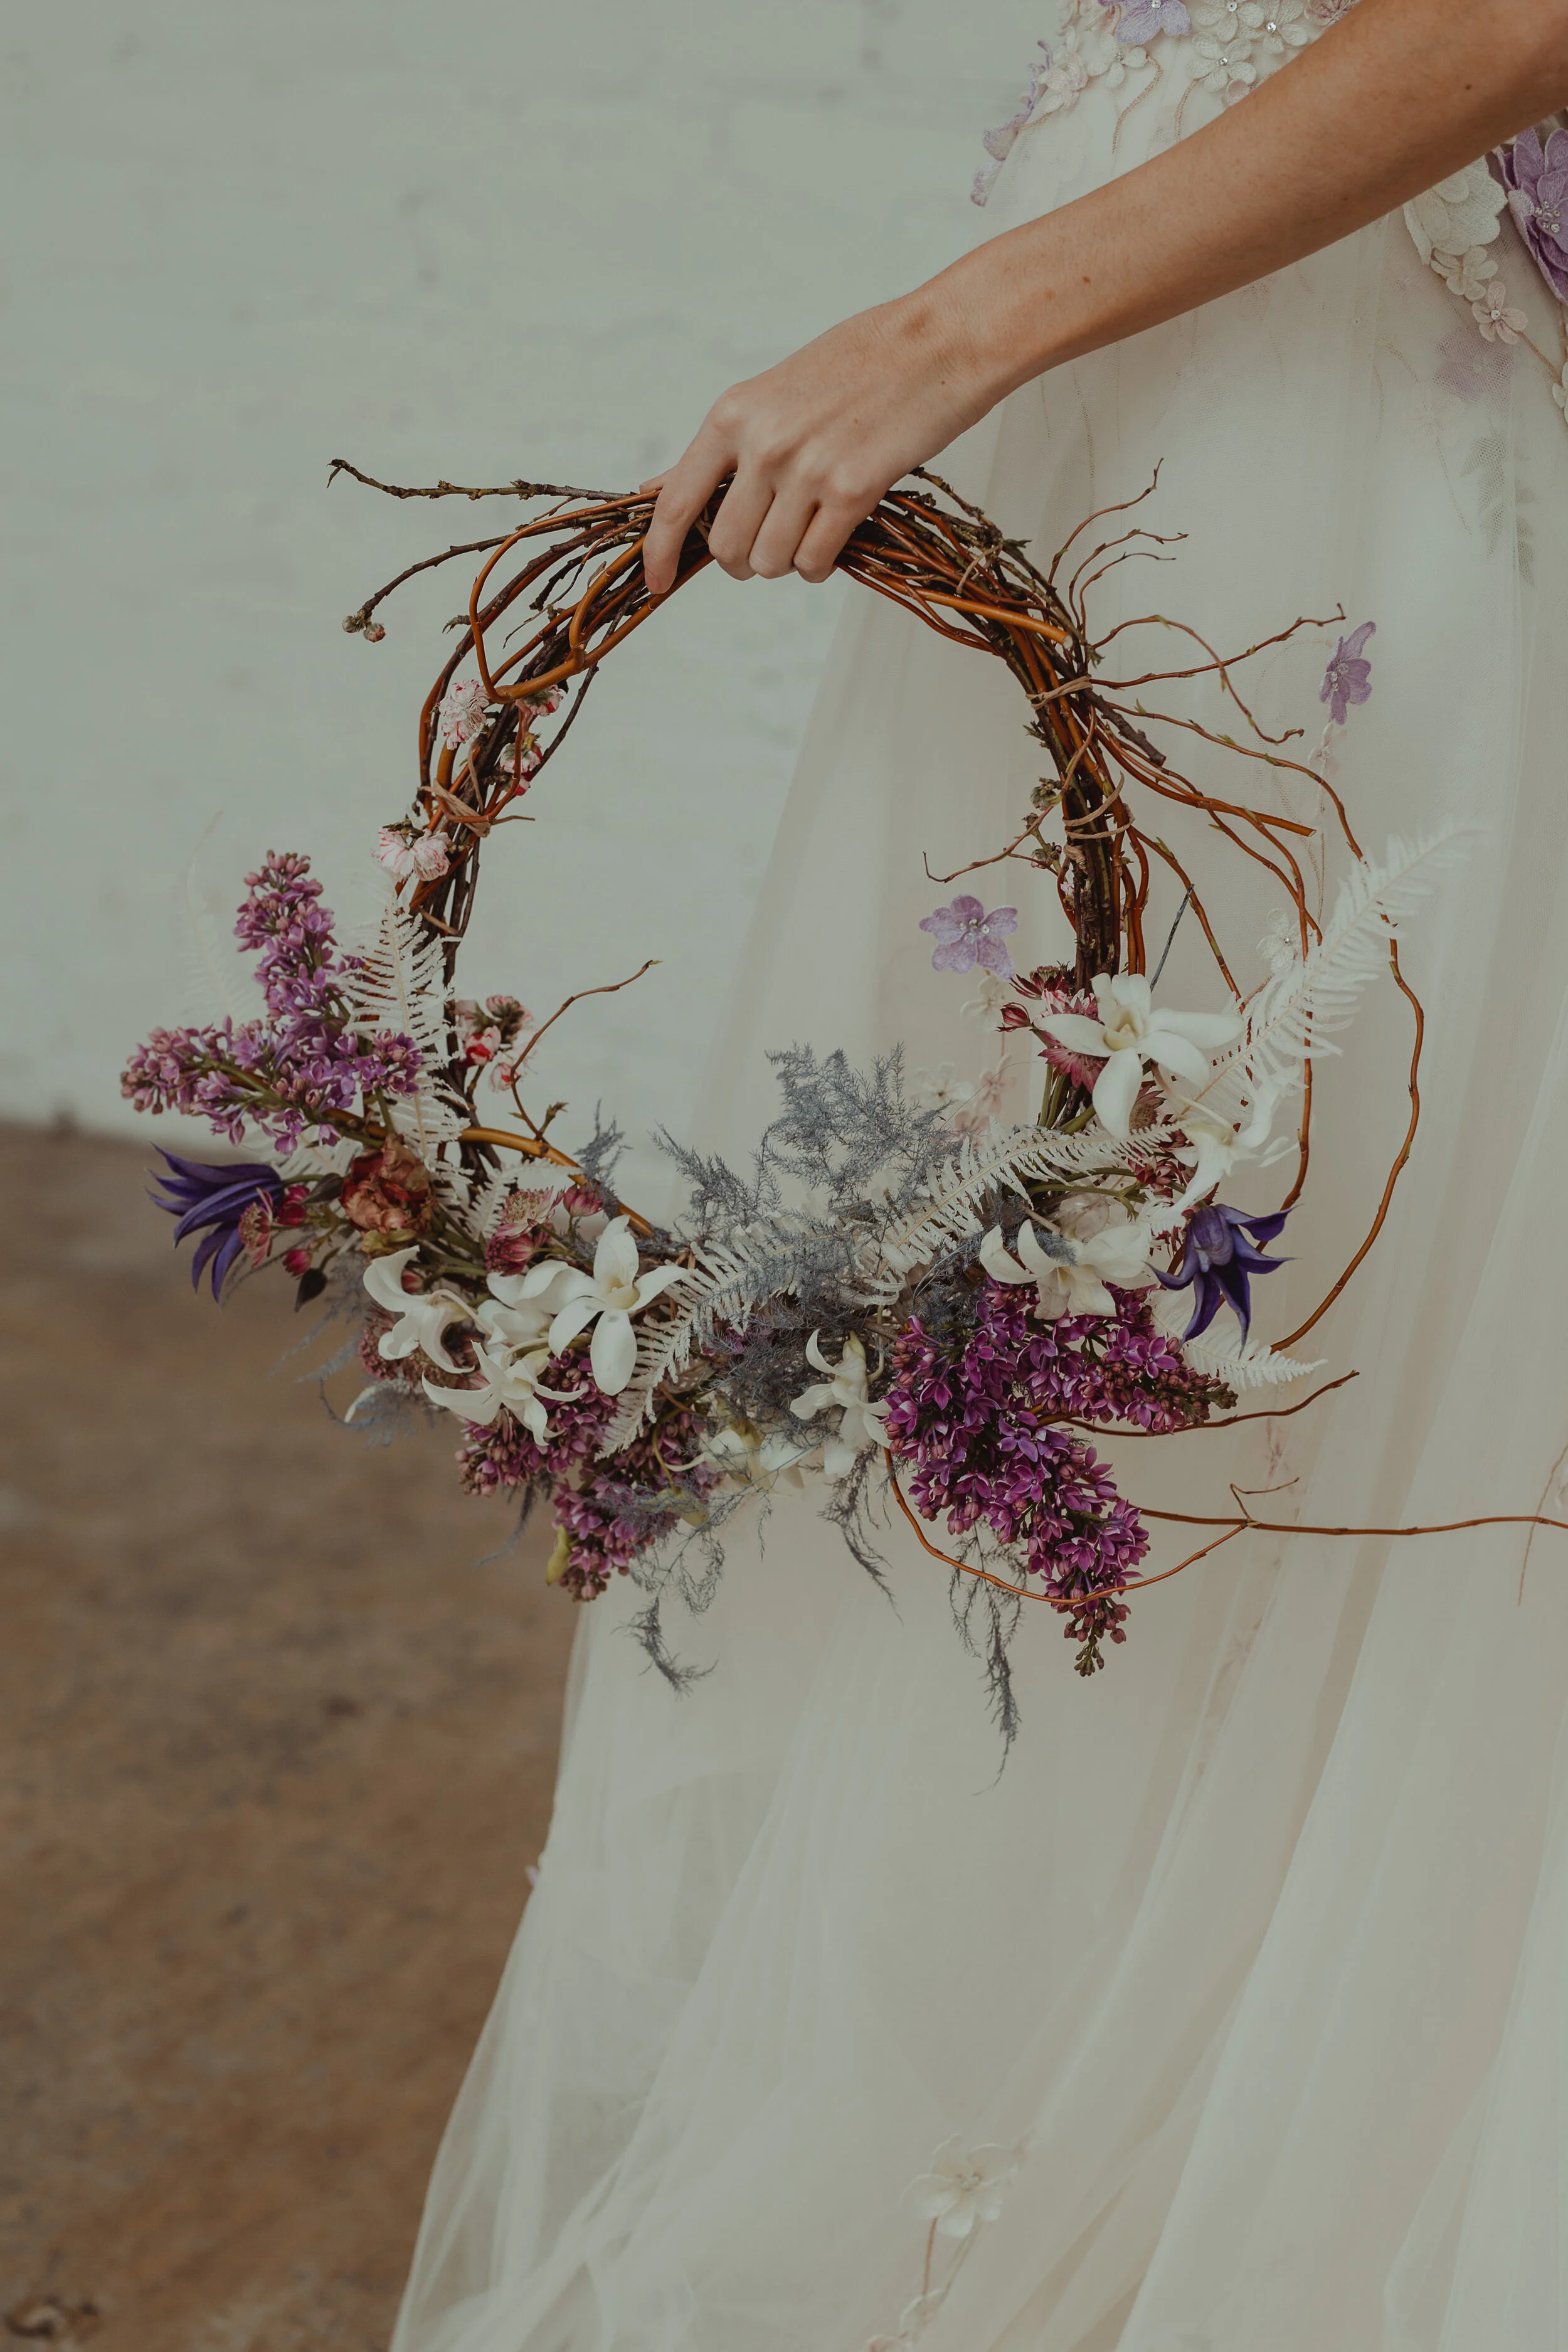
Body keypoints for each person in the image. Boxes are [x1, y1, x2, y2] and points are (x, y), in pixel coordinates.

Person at [392, 3, 1568, 2345]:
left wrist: (949, 328)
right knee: (1035, 1321)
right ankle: (1027, 2123)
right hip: (1137, 403)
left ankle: (1294, 2160)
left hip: (1332, 407)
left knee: (1300, 1315)